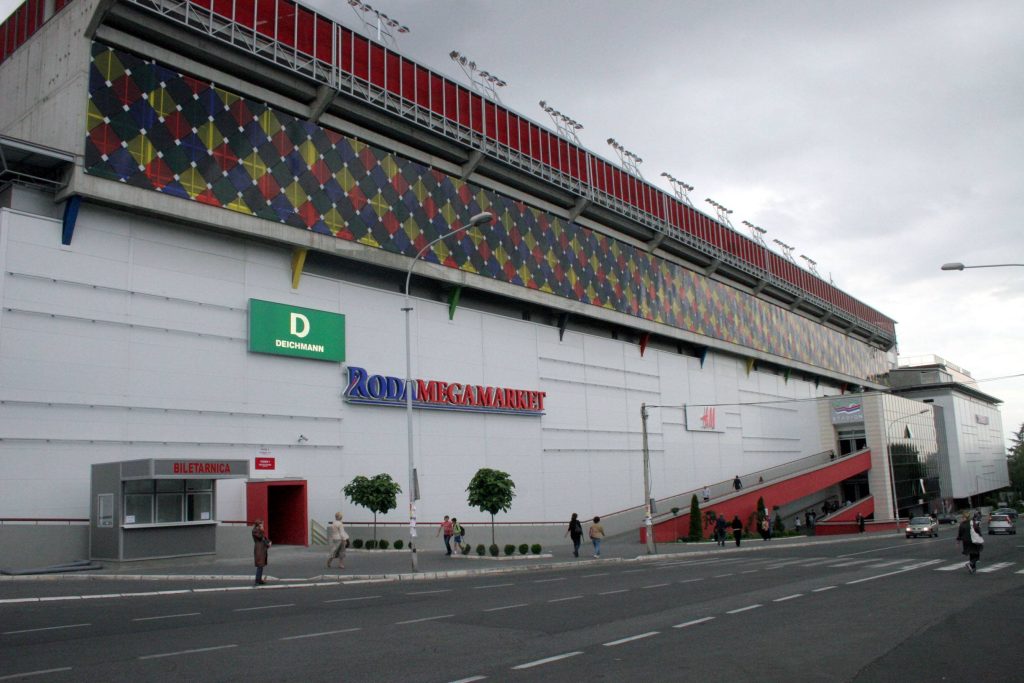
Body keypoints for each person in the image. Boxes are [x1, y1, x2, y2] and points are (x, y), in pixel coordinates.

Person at [252, 519, 270, 585]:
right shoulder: (255, 531)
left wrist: (268, 543)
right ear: (258, 524)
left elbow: (264, 538)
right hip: (259, 549)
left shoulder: (259, 530)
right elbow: (260, 537)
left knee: (261, 564)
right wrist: (262, 530)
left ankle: (259, 580)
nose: (262, 525)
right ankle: (257, 580)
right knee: (259, 564)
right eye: (261, 524)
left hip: (262, 548)